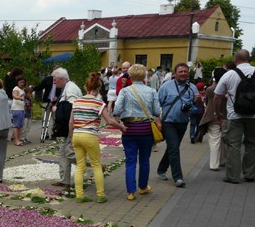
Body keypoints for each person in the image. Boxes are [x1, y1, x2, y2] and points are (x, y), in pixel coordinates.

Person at [69, 73, 126, 203]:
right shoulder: (98, 103)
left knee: (80, 166)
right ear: (98, 88)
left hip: (77, 135)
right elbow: (109, 121)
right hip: (90, 136)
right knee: (96, 165)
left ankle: (79, 195)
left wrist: (72, 136)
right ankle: (100, 195)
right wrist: (121, 127)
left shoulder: (77, 101)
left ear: (86, 87)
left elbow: (71, 122)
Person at [113, 64, 162, 201]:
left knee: (130, 161)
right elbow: (157, 111)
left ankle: (130, 192)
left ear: (130, 75)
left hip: (129, 129)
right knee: (144, 159)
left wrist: (118, 116)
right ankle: (143, 187)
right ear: (144, 76)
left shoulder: (125, 91)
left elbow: (117, 109)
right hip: (146, 129)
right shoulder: (151, 91)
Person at [214, 49, 255, 183]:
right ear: (250, 59)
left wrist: (218, 114)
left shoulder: (230, 74)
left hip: (235, 115)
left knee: (234, 145)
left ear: (236, 60)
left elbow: (217, 96)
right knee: (252, 143)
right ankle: (250, 174)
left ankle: (233, 176)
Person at [156, 62, 198, 188]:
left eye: (185, 71)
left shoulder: (192, 87)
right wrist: (158, 120)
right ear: (175, 74)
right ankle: (178, 177)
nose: (183, 74)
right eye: (181, 72)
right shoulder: (166, 86)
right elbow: (157, 104)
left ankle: (161, 169)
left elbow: (197, 106)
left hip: (183, 121)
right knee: (174, 147)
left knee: (172, 148)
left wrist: (198, 102)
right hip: (168, 121)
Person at [50, 67, 80, 188]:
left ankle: (94, 164)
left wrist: (58, 109)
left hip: (71, 125)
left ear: (62, 79)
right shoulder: (66, 87)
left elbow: (72, 108)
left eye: (55, 79)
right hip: (67, 125)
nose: (54, 82)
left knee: (69, 153)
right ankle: (64, 180)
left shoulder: (71, 89)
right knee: (63, 153)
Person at [197, 67, 228, 170]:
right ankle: (223, 160)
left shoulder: (209, 89)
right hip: (226, 116)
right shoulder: (228, 89)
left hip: (212, 116)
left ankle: (214, 164)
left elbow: (206, 103)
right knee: (224, 140)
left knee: (214, 141)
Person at [11, 76, 27, 146]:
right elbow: (14, 95)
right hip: (16, 109)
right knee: (16, 125)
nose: (22, 83)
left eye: (23, 82)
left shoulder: (23, 89)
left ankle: (18, 138)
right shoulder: (16, 88)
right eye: (20, 82)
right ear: (17, 82)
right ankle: (16, 140)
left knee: (20, 125)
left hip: (21, 108)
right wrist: (19, 98)